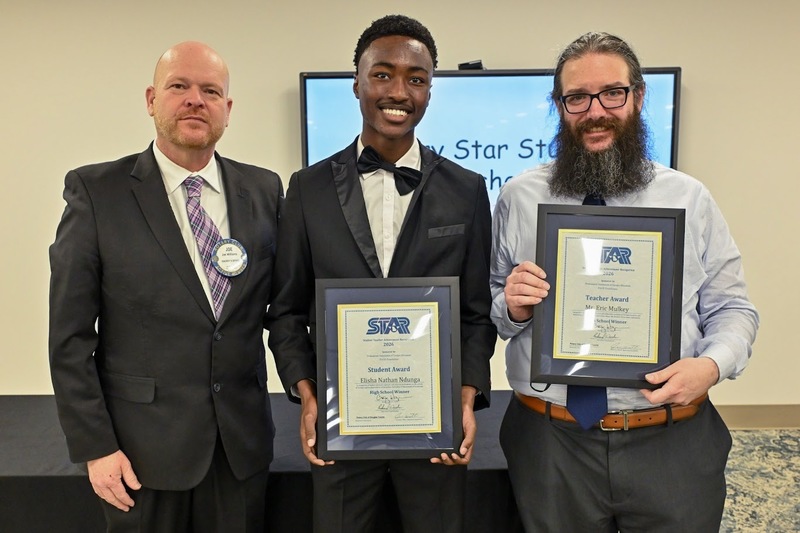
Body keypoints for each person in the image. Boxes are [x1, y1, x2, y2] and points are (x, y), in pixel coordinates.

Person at [491, 32, 759, 532]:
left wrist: (710, 366)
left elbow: (733, 309)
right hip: (551, 442)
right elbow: (496, 307)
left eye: (612, 93)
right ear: (559, 106)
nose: (595, 111)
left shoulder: (688, 198)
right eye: (577, 97)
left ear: (637, 96)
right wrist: (513, 306)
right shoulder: (518, 197)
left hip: (671, 438)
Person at [266, 14, 495, 533]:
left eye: (416, 78)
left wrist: (466, 397)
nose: (399, 91)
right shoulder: (307, 189)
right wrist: (307, 396)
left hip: (435, 429)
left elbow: (477, 315)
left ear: (430, 92)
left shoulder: (466, 189)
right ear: (357, 84)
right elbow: (286, 311)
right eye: (383, 74)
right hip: (341, 426)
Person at [49, 41, 282, 532]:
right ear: (152, 99)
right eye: (179, 86)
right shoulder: (97, 192)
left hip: (239, 452)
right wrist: (96, 447)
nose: (196, 99)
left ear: (228, 109)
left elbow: (282, 311)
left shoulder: (264, 190)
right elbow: (70, 338)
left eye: (211, 91)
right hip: (139, 457)